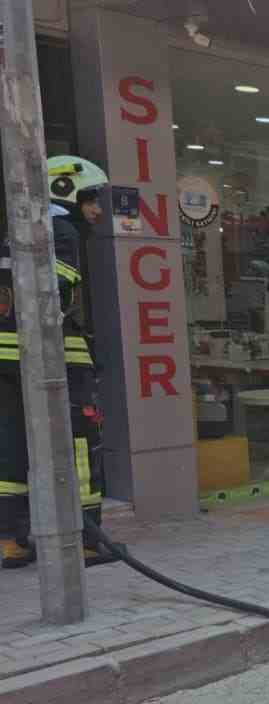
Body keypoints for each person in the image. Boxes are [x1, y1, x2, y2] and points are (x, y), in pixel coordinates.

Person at [0, 156, 111, 569]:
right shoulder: (60, 231)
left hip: (6, 360)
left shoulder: (13, 234)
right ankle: (85, 540)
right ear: (65, 189)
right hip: (55, 358)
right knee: (81, 445)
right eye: (93, 198)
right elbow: (51, 296)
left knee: (9, 446)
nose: (99, 210)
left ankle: (10, 542)